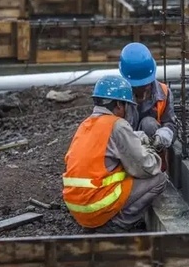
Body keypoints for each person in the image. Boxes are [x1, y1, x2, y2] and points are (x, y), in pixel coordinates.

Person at [62, 74, 167, 233]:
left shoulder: (85, 125)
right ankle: (115, 225)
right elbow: (146, 167)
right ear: (119, 104)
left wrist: (134, 140)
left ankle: (98, 222)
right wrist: (151, 150)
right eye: (126, 105)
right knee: (159, 179)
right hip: (95, 206)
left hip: (76, 206)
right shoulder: (117, 125)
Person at [119, 42, 177, 171]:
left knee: (149, 123)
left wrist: (165, 134)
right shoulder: (118, 95)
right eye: (137, 85)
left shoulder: (163, 92)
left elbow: (171, 123)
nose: (142, 87)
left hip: (152, 146)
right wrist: (132, 137)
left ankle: (156, 168)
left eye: (145, 83)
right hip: (124, 148)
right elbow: (109, 128)